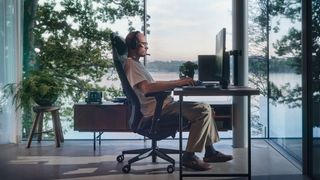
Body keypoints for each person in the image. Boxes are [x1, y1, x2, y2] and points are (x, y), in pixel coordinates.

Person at [123, 31, 232, 171]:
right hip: (158, 110)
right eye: (144, 44)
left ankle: (210, 152)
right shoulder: (132, 65)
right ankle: (189, 157)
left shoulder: (136, 64)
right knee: (203, 110)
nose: (147, 48)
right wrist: (178, 83)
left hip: (163, 105)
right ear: (134, 45)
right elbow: (147, 88)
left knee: (207, 108)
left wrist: (178, 81)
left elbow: (153, 84)